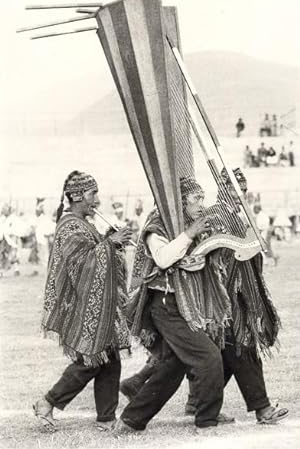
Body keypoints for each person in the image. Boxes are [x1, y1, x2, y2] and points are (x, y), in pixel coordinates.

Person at [114, 177, 232, 435]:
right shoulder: (158, 225)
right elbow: (164, 258)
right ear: (179, 202)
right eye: (196, 199)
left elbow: (200, 260)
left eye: (202, 197)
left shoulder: (192, 224)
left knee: (172, 367)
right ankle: (206, 421)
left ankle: (131, 420)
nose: (202, 203)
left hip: (183, 304)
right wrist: (189, 235)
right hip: (167, 306)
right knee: (209, 356)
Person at [184, 168, 288, 424]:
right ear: (222, 189)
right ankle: (262, 409)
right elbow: (214, 254)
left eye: (242, 189)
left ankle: (198, 401)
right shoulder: (217, 215)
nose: (239, 193)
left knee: (227, 354)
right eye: (233, 188)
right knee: (242, 348)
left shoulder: (237, 217)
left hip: (238, 296)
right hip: (225, 296)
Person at [33, 171, 133, 432]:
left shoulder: (83, 223)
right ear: (77, 196)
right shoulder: (69, 226)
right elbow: (80, 264)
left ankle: (106, 418)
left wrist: (112, 242)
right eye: (92, 195)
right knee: (90, 360)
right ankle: (47, 402)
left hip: (98, 303)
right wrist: (109, 243)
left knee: (109, 357)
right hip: (82, 303)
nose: (97, 201)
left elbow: (95, 254)